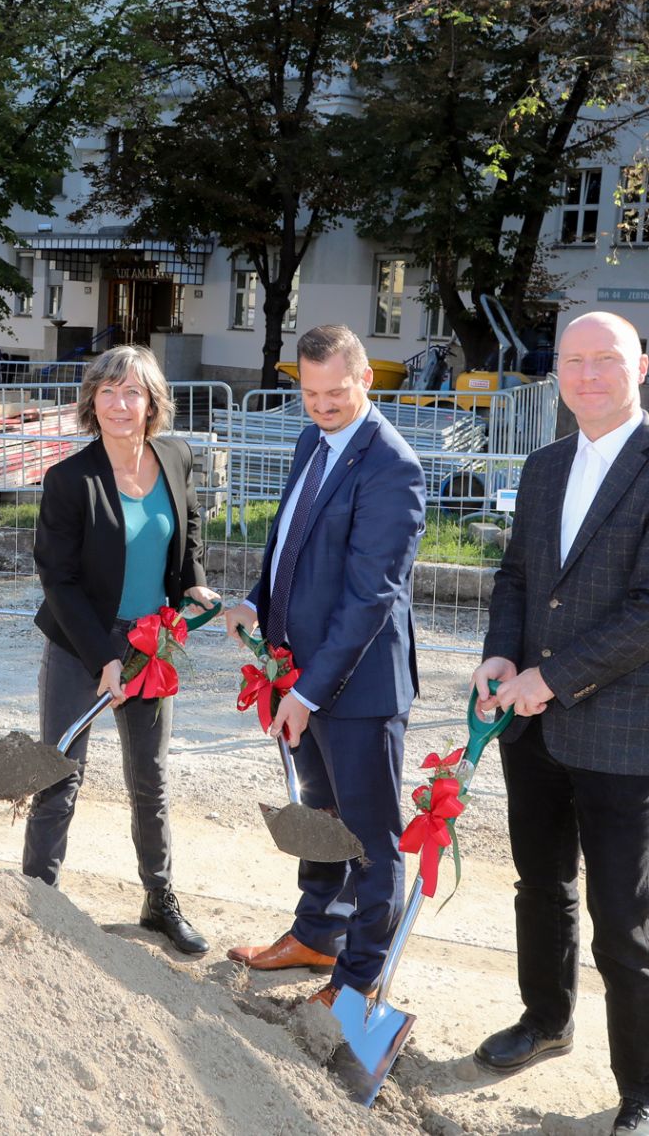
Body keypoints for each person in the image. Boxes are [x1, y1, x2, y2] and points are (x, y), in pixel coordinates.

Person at [468, 313, 649, 1136]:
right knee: (541, 887)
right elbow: (515, 578)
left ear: (640, 366)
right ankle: (546, 1019)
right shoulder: (544, 468)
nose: (587, 376)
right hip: (532, 726)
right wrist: (502, 659)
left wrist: (551, 678)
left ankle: (645, 1089)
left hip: (622, 731)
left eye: (604, 361)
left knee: (625, 919)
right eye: (573, 362)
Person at [221, 325, 426, 1002]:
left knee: (368, 837)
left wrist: (306, 691)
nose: (321, 405)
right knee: (321, 816)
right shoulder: (314, 438)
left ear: (365, 378)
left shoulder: (391, 466)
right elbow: (292, 536)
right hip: (300, 675)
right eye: (309, 393)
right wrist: (256, 601)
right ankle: (316, 933)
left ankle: (361, 978)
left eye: (335, 391)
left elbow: (371, 596)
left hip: (357, 688)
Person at [23, 344, 222, 955]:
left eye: (132, 391)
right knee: (60, 774)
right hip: (82, 644)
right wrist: (103, 654)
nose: (119, 403)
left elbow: (186, 531)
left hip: (152, 646)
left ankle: (158, 901)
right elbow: (58, 579)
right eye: (106, 391)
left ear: (152, 401)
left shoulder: (176, 457)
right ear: (91, 401)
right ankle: (37, 902)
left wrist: (192, 581)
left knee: (150, 779)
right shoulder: (69, 479)